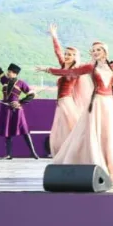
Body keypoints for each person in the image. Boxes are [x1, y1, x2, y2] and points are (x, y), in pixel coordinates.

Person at [39, 21, 113, 186]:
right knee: (93, 136)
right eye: (93, 50)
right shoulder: (89, 67)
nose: (95, 52)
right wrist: (49, 70)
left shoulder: (112, 67)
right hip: (96, 104)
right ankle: (95, 166)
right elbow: (70, 71)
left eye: (98, 50)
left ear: (104, 52)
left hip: (109, 105)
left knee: (111, 137)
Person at [45, 24, 91, 157]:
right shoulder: (64, 67)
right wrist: (54, 36)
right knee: (63, 130)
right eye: (66, 54)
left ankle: (77, 151)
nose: (66, 56)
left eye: (70, 55)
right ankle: (67, 153)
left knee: (71, 128)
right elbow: (58, 52)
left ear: (75, 57)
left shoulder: (75, 71)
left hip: (67, 103)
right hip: (61, 103)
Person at [0, 47, 39, 160]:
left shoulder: (21, 83)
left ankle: (33, 152)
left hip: (17, 110)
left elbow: (31, 94)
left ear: (15, 73)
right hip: (5, 110)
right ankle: (9, 154)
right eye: (8, 71)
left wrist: (20, 102)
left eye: (10, 72)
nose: (7, 73)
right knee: (7, 132)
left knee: (25, 131)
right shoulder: (4, 80)